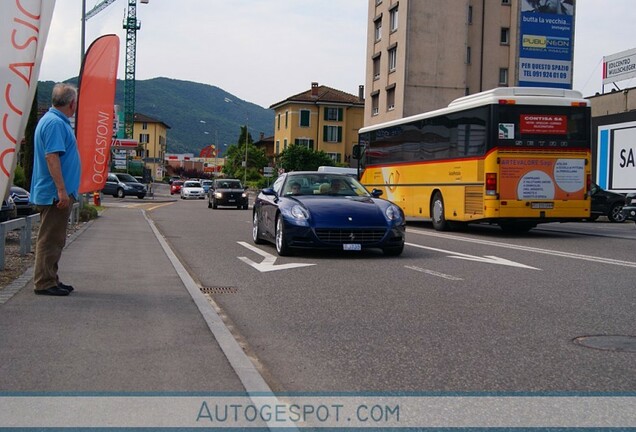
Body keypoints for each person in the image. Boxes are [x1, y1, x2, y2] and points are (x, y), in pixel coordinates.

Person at [30, 83, 81, 296]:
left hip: (54, 192)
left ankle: (51, 277)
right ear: (72, 103)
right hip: (54, 194)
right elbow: (52, 157)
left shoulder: (52, 121)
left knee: (55, 238)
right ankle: (44, 282)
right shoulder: (55, 124)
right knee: (50, 238)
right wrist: (61, 190)